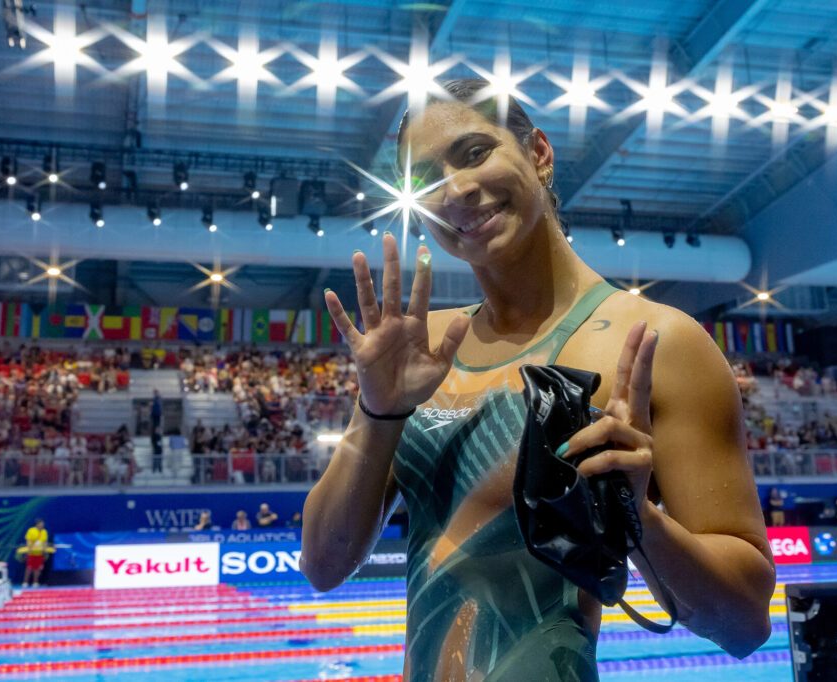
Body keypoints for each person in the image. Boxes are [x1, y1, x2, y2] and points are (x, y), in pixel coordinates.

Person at [301, 79, 774, 679]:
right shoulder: (419, 348)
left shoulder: (657, 341)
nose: (457, 189)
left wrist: (638, 521)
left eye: (475, 152)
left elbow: (747, 623)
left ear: (539, 153)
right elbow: (323, 564)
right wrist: (377, 411)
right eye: (424, 180)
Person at [23, 518, 48, 587]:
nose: (42, 525)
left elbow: (45, 542)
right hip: (32, 553)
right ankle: (25, 582)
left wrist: (45, 551)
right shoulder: (31, 531)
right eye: (40, 524)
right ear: (37, 524)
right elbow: (28, 541)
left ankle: (35, 582)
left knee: (38, 569)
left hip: (40, 553)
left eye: (43, 524)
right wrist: (29, 550)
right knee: (29, 568)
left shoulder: (44, 532)